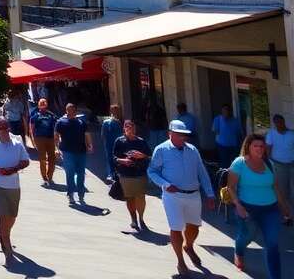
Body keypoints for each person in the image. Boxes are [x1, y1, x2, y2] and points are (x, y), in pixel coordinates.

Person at [148, 119, 216, 276]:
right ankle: (180, 261)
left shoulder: (192, 150)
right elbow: (152, 171)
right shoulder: (161, 150)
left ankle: (189, 246)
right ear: (170, 134)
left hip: (193, 194)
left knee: (194, 227)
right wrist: (165, 184)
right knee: (176, 227)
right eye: (179, 135)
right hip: (173, 195)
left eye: (184, 135)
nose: (182, 138)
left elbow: (202, 172)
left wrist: (210, 194)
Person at [227, 133, 291, 277]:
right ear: (248, 147)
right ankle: (239, 251)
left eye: (261, 146)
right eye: (255, 146)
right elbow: (230, 187)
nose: (259, 149)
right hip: (247, 208)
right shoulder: (239, 163)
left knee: (272, 244)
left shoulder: (269, 164)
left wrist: (284, 206)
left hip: (270, 210)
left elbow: (275, 187)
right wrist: (238, 205)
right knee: (246, 237)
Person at [0, 116, 31, 256]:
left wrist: (13, 169)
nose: (2, 130)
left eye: (4, 127)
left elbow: (25, 161)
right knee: (3, 215)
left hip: (13, 185)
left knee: (12, 215)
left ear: (8, 128)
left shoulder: (17, 143)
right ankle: (6, 243)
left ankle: (3, 234)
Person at [112, 118, 152, 230]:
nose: (130, 129)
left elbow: (149, 155)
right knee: (129, 198)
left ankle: (141, 218)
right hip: (125, 174)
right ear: (124, 128)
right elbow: (114, 158)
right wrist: (122, 161)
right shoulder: (119, 141)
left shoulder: (141, 141)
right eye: (127, 127)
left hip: (140, 173)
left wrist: (142, 156)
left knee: (141, 197)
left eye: (132, 127)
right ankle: (133, 219)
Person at [55, 102, 93, 205]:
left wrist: (90, 145)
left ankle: (81, 195)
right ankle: (71, 194)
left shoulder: (81, 122)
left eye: (73, 110)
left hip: (81, 151)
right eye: (69, 110)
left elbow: (87, 134)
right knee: (70, 173)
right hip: (67, 152)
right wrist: (56, 149)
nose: (71, 112)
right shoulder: (61, 122)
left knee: (81, 174)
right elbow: (56, 137)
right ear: (66, 111)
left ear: (75, 111)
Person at [266, 113, 294, 223]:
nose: (279, 124)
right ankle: (287, 217)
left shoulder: (291, 134)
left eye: (280, 122)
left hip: (292, 165)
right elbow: (268, 149)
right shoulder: (271, 134)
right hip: (279, 165)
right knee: (282, 192)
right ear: (274, 123)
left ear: (283, 122)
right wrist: (270, 163)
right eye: (276, 122)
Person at [29, 97, 58, 186]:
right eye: (41, 102)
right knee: (42, 159)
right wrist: (32, 140)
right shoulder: (35, 115)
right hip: (40, 139)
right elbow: (31, 129)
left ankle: (50, 176)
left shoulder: (51, 115)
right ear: (38, 105)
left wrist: (57, 139)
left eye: (44, 102)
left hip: (50, 138)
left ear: (47, 104)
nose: (43, 104)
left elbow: (56, 127)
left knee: (52, 159)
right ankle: (44, 177)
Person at [100, 104, 123, 181]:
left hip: (116, 142)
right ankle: (111, 173)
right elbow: (103, 134)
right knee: (111, 158)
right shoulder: (107, 122)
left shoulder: (120, 121)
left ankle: (115, 173)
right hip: (110, 142)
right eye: (114, 110)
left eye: (116, 110)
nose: (115, 112)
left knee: (116, 157)